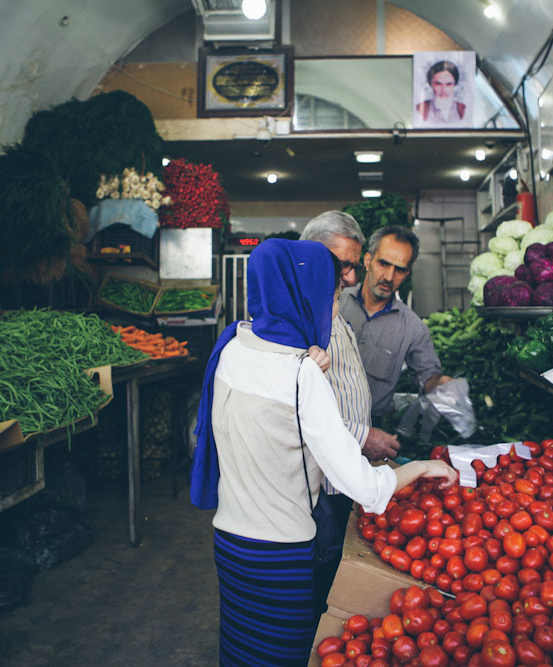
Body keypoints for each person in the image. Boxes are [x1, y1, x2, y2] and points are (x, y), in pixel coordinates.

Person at [190, 239, 458, 667]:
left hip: (229, 543)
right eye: (333, 298)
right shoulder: (302, 376)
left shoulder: (232, 347)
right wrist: (423, 467)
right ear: (308, 297)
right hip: (279, 555)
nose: (334, 310)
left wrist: (306, 372)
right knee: (283, 656)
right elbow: (367, 488)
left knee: (240, 653)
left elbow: (266, 410)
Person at [299, 211, 402, 612]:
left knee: (332, 565)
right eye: (339, 264)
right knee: (320, 569)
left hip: (342, 473)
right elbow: (299, 405)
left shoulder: (332, 306)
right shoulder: (303, 315)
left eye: (353, 266)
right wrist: (363, 436)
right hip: (320, 478)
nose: (351, 277)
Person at [340, 226, 453, 427]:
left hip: (371, 429)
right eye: (384, 263)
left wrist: (439, 384)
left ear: (407, 273)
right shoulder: (336, 303)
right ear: (368, 261)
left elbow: (426, 374)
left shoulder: (412, 326)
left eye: (399, 269)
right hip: (321, 419)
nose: (390, 277)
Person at [415, 60, 467, 125]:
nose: (443, 89)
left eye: (448, 84)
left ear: (455, 85)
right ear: (431, 85)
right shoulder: (421, 108)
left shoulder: (463, 109)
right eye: (438, 84)